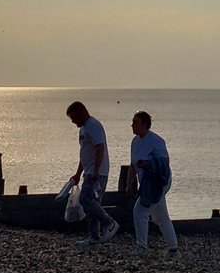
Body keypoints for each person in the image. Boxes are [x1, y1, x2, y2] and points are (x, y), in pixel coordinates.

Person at [66, 100, 119, 250]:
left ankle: (109, 222)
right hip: (89, 171)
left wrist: (96, 170)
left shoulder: (93, 125)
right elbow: (85, 154)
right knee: (93, 205)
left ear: (80, 112)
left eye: (73, 117)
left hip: (97, 172)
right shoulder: (83, 129)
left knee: (86, 199)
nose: (73, 121)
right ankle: (94, 238)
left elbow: (99, 148)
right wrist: (77, 174)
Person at [127, 110, 178, 254]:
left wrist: (148, 164)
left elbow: (164, 163)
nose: (132, 125)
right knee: (161, 216)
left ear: (145, 124)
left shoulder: (156, 140)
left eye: (135, 122)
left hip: (158, 182)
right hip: (146, 183)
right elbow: (133, 164)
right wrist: (129, 183)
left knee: (139, 211)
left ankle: (141, 247)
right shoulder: (135, 142)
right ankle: (173, 249)